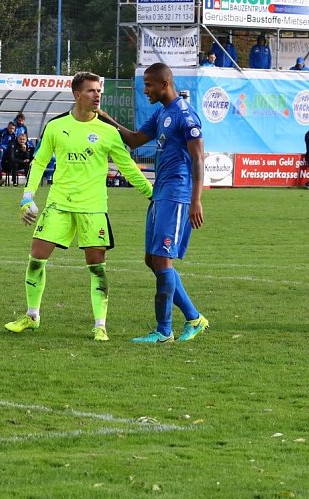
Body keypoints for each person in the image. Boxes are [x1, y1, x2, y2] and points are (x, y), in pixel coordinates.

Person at [4, 71, 152, 341]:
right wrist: (27, 196)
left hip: (93, 209)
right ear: (76, 94)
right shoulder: (56, 127)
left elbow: (127, 167)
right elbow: (39, 163)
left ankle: (100, 325)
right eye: (91, 91)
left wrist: (151, 193)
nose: (97, 95)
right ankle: (32, 316)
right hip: (58, 205)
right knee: (36, 258)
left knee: (96, 266)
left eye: (99, 91)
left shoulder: (108, 132)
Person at [100, 63, 208, 343]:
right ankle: (194, 318)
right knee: (152, 259)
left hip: (178, 193)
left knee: (162, 258)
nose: (145, 89)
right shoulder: (162, 113)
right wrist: (104, 118)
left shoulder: (185, 115)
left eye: (149, 84)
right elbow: (135, 141)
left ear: (165, 84)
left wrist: (196, 200)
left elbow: (198, 158)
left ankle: (164, 331)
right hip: (160, 192)